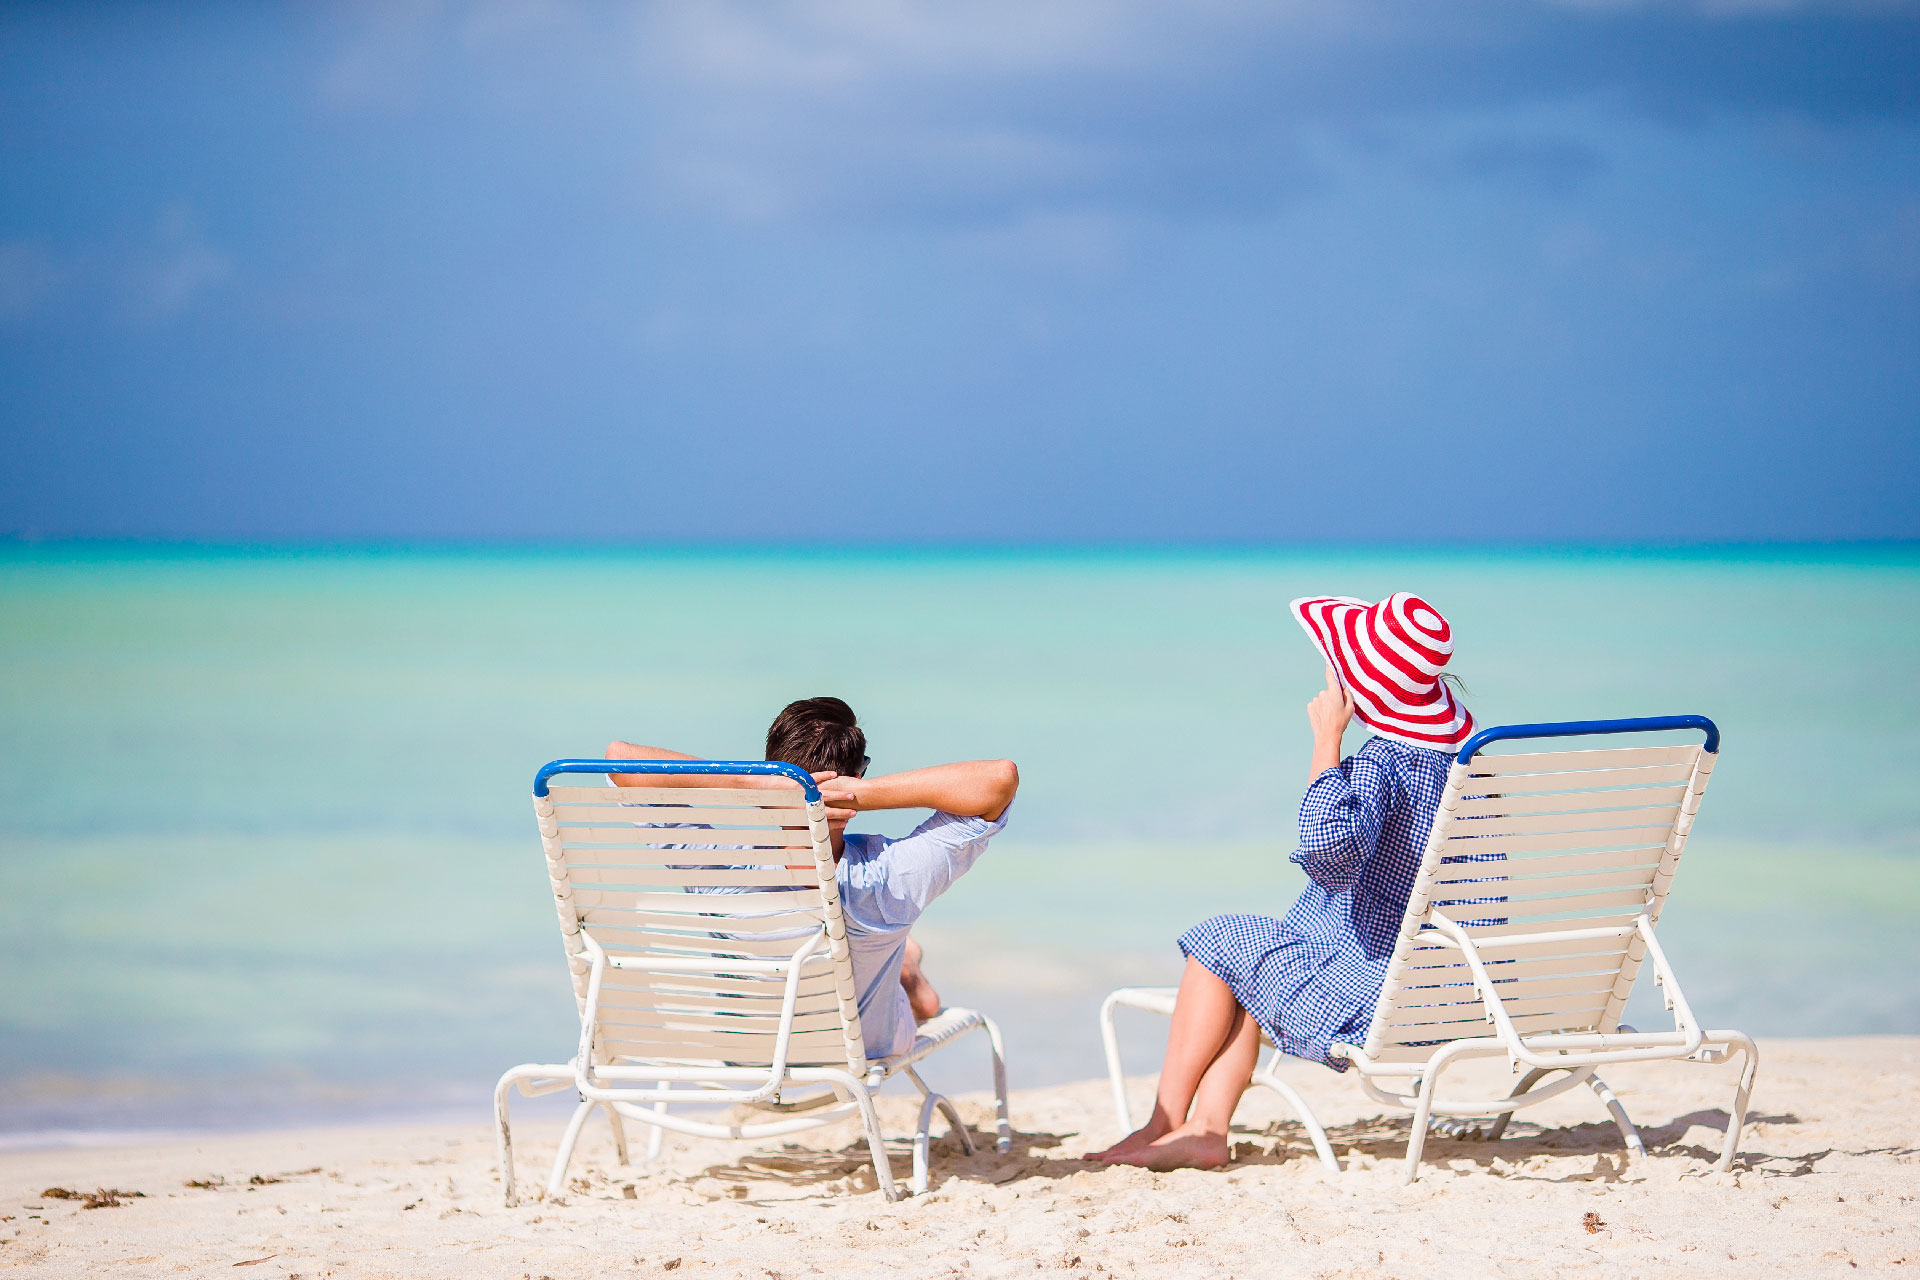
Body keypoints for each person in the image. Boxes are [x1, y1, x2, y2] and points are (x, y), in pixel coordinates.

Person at [1088, 592, 1476, 1171]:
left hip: (1379, 994)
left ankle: (1161, 1124)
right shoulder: (1470, 764)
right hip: (1456, 988)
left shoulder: (1382, 763)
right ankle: (1205, 1131)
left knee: (1220, 937)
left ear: (1354, 682)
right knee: (1255, 950)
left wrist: (1327, 744)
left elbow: (1329, 856)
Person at [604, 696, 1018, 1060]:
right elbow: (999, 780)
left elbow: (619, 759)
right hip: (866, 1050)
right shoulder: (891, 877)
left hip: (752, 1055)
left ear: (769, 774)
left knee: (894, 949)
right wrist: (859, 795)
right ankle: (909, 970)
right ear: (858, 774)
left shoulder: (720, 871)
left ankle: (907, 966)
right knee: (898, 948)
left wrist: (750, 783)